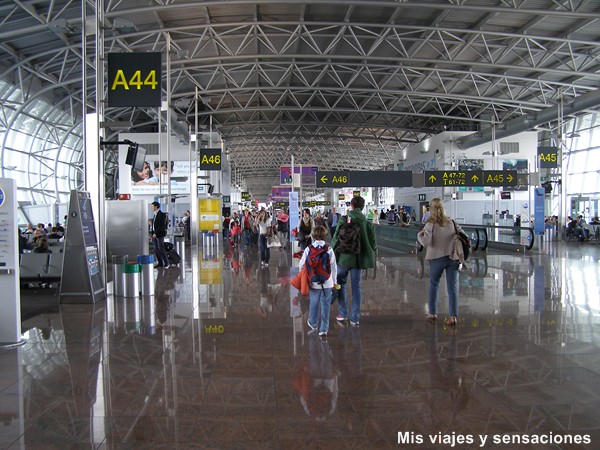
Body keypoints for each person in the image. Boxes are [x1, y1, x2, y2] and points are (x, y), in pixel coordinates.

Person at [331, 195, 377, 327]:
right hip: (358, 261)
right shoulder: (367, 223)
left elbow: (335, 238)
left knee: (340, 285)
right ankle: (355, 317)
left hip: (343, 259)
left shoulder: (344, 220)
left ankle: (343, 313)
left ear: (351, 206)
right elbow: (373, 244)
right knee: (357, 287)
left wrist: (331, 253)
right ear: (362, 207)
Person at [417, 198, 463, 326]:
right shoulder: (452, 222)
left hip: (437, 258)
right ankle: (453, 316)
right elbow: (463, 235)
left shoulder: (430, 225)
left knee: (434, 285)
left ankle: (432, 313)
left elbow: (425, 242)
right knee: (452, 288)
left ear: (431, 209)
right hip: (452, 258)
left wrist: (419, 236)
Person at [299, 225, 338, 337]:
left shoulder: (308, 249)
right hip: (327, 281)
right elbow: (334, 266)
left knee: (314, 302)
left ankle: (313, 323)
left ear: (313, 236)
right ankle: (324, 329)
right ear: (325, 235)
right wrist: (334, 281)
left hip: (314, 281)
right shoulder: (329, 249)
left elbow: (301, 265)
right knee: (325, 304)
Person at [150, 201, 170, 268]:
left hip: (160, 234)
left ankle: (167, 263)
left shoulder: (162, 214)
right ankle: (160, 263)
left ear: (156, 206)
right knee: (156, 249)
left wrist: (156, 233)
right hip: (154, 234)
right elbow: (154, 225)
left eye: (152, 206)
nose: (151, 208)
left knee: (161, 248)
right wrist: (153, 233)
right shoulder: (155, 214)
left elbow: (161, 226)